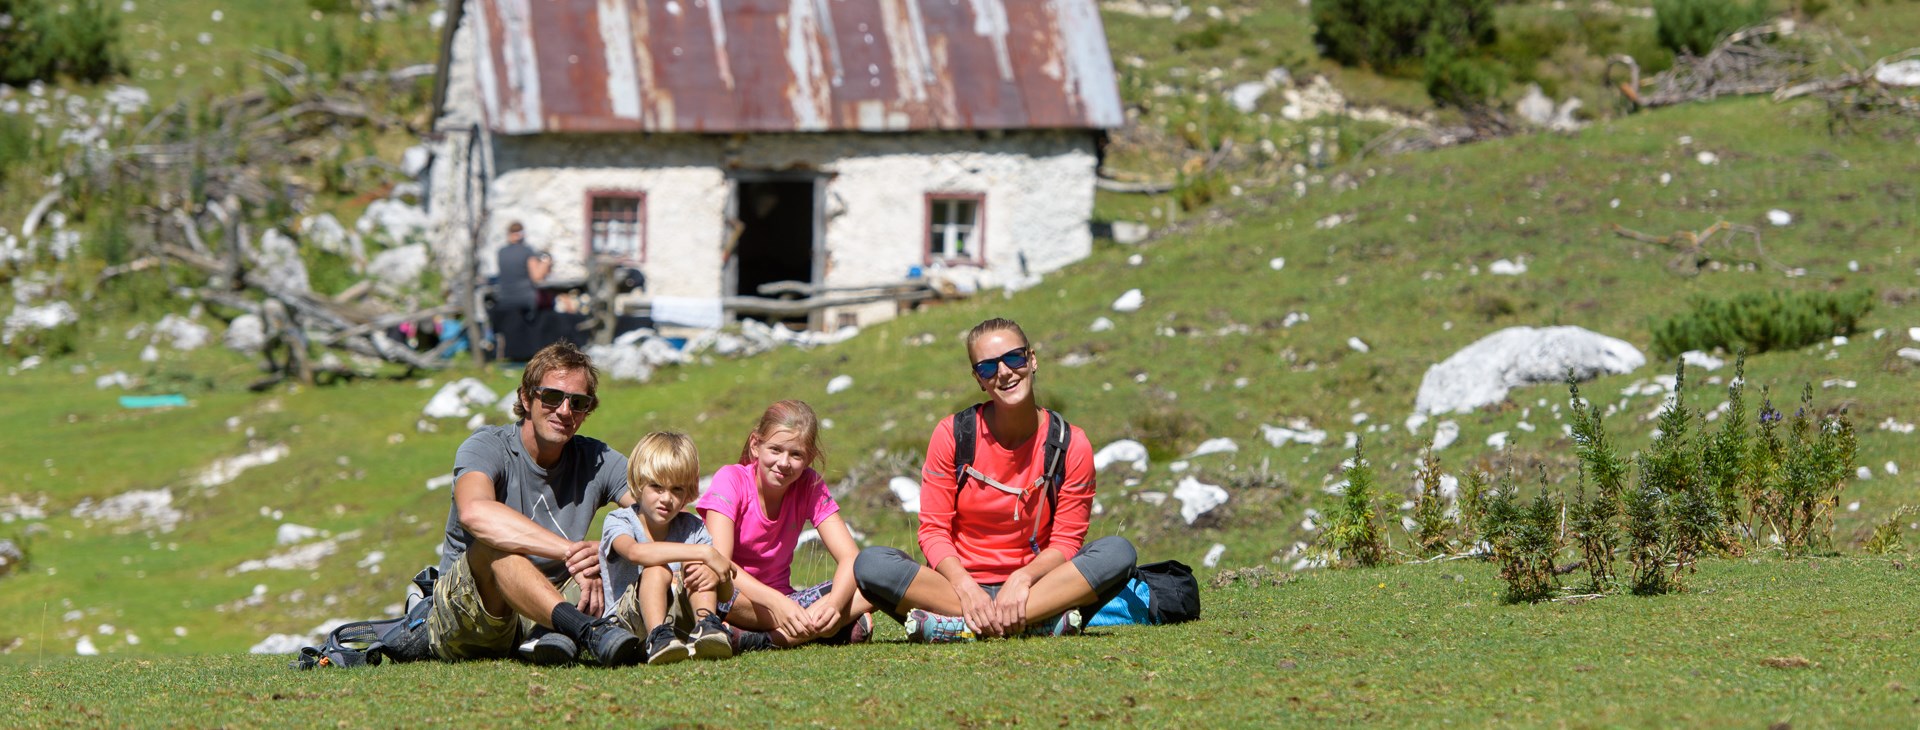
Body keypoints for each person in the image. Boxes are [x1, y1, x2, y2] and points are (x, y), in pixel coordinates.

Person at [853, 317, 1137, 642]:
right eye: (987, 367)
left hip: (1035, 587)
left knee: (1119, 553)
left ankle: (959, 628)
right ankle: (1034, 624)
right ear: (978, 379)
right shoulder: (954, 435)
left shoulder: (1071, 443)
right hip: (958, 588)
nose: (1003, 372)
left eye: (1013, 358)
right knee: (871, 564)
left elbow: (1067, 541)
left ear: (1032, 360)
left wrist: (1024, 578)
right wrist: (965, 587)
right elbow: (933, 530)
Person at [427, 341, 643, 666]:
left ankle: (556, 635)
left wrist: (606, 550)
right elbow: (474, 512)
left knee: (632, 557)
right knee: (494, 546)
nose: (565, 411)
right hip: (470, 612)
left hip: (547, 605)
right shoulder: (487, 446)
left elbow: (657, 516)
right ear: (526, 398)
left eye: (579, 402)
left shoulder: (598, 459)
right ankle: (585, 631)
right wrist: (570, 552)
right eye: (553, 397)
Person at [694, 400, 873, 649]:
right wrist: (777, 603)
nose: (784, 463)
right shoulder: (731, 478)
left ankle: (763, 639)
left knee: (872, 580)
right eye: (776, 450)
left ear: (809, 458)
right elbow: (720, 562)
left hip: (789, 601)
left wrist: (834, 605)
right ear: (756, 445)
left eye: (796, 454)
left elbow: (850, 557)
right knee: (712, 587)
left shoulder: (809, 485)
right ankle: (827, 627)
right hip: (735, 597)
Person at [599, 431, 738, 665]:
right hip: (629, 626)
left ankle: (707, 628)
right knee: (657, 569)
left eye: (676, 490)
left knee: (699, 568)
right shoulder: (620, 520)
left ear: (688, 493)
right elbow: (636, 553)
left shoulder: (693, 527)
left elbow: (725, 596)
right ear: (639, 484)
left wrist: (715, 574)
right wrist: (705, 553)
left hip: (680, 625)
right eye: (657, 487)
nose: (666, 499)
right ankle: (657, 638)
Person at [495, 221, 551, 318]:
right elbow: (537, 277)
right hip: (526, 299)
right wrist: (546, 263)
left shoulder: (501, 252)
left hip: (505, 299)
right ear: (522, 234)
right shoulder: (526, 251)